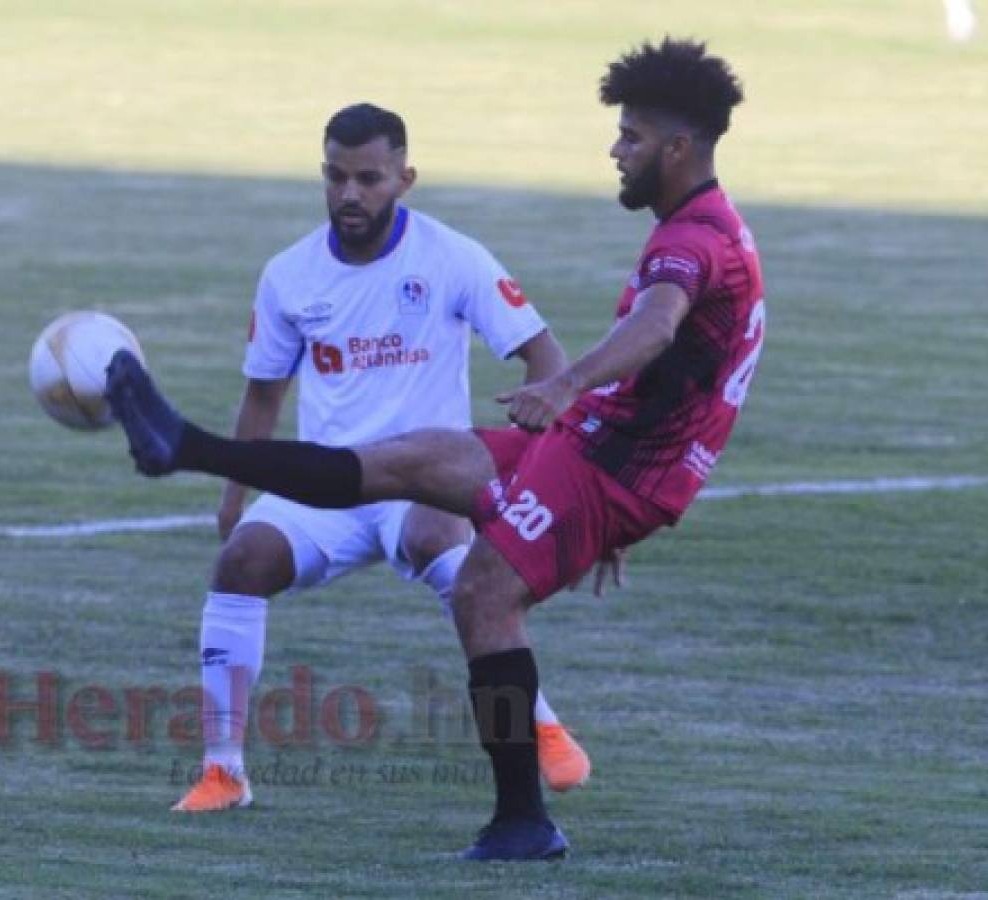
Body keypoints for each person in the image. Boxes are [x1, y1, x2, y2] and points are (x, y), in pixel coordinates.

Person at [108, 39, 763, 860]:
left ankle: (522, 820)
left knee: (481, 590)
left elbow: (656, 325)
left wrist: (566, 389)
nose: (615, 149)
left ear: (676, 147)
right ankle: (188, 445)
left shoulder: (688, 241)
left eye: (629, 136)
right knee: (416, 457)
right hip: (603, 449)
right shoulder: (699, 226)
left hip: (617, 465)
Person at [171, 103, 592, 814]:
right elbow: (263, 395)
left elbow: (543, 357)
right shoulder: (288, 275)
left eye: (368, 178)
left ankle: (542, 723)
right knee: (240, 563)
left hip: (424, 478)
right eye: (336, 176)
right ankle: (223, 772)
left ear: (404, 178)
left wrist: (536, 459)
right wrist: (234, 495)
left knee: (436, 540)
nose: (349, 194)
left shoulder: (451, 256)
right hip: (329, 485)